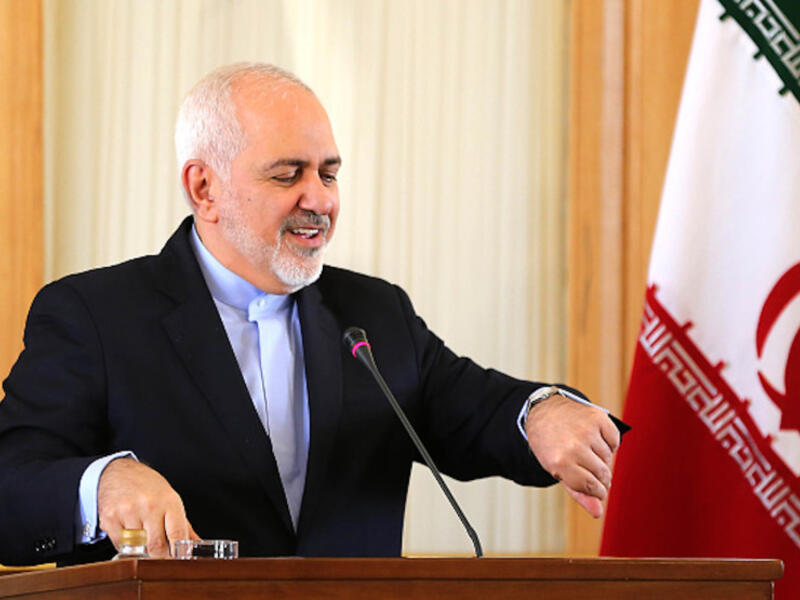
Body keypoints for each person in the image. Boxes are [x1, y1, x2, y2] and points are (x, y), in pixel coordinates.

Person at [0, 63, 622, 565]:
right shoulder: (94, 316)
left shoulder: (374, 313)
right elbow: (9, 491)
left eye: (328, 173)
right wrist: (100, 484)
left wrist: (542, 412)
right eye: (287, 174)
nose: (320, 200)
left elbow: (478, 410)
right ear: (204, 188)